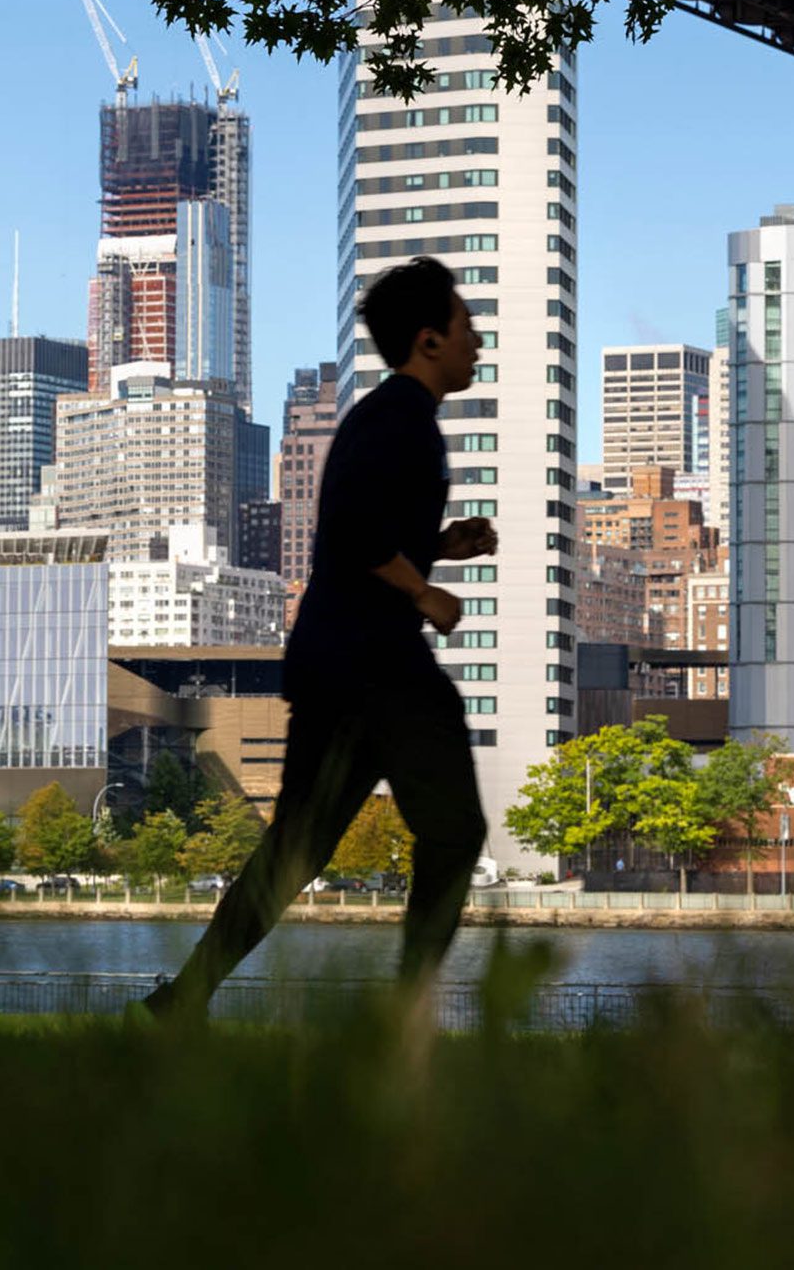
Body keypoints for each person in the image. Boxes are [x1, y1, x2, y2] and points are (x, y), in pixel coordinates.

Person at [140, 256, 495, 1022]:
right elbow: (351, 530)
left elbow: (362, 540)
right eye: (467, 325)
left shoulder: (396, 419)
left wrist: (440, 547)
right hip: (375, 663)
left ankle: (180, 1003)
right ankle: (406, 1019)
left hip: (343, 660)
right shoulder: (397, 419)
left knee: (297, 851)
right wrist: (422, 589)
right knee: (457, 830)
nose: (479, 339)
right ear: (428, 339)